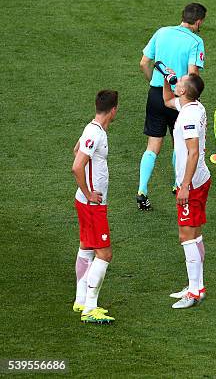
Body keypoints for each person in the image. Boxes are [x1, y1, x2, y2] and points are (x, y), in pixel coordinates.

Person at [136, 3, 207, 211]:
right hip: (180, 99)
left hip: (156, 94)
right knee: (181, 142)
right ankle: (178, 185)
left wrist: (154, 82)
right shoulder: (196, 41)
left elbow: (143, 63)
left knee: (153, 144)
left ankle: (142, 190)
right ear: (199, 21)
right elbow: (193, 74)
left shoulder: (162, 32)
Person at [161, 69, 210, 309]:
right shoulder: (193, 106)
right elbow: (167, 101)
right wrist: (165, 80)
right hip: (200, 179)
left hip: (191, 183)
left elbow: (193, 151)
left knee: (186, 235)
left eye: (179, 81)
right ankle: (197, 285)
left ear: (184, 91)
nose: (176, 80)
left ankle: (192, 292)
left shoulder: (189, 117)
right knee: (195, 233)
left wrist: (184, 187)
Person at [71, 90, 119, 324]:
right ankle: (90, 307)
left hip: (85, 201)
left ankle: (80, 299)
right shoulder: (96, 133)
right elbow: (77, 165)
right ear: (113, 110)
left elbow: (76, 150)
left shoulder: (91, 129)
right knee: (105, 254)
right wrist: (90, 193)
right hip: (92, 204)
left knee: (87, 247)